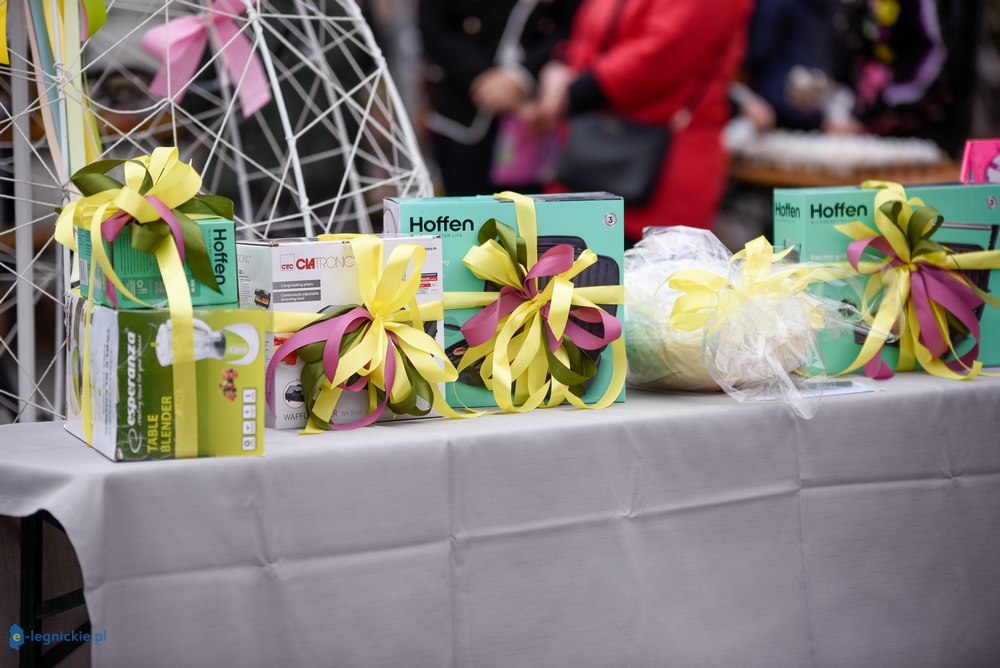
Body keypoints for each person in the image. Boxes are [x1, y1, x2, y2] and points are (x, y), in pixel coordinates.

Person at [535, 0, 753, 242]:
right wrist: (559, 65)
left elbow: (658, 56)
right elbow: (588, 34)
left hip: (662, 175)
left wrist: (572, 94)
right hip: (589, 155)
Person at [418, 0, 582, 196]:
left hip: (536, 116)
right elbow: (436, 31)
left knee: (533, 208)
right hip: (463, 112)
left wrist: (520, 77)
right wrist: (486, 79)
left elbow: (571, 26)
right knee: (466, 207)